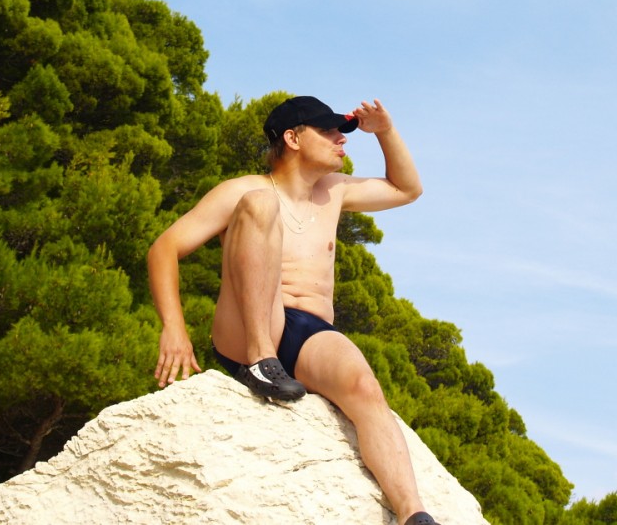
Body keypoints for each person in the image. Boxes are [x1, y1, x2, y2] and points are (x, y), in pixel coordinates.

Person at [148, 96, 440, 525]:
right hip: (249, 326)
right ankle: (261, 362)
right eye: (328, 130)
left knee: (364, 386)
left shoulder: (334, 192)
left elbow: (407, 189)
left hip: (310, 331)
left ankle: (413, 513)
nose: (341, 139)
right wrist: (174, 327)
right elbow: (165, 248)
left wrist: (385, 131)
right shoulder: (241, 190)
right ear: (293, 138)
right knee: (260, 203)